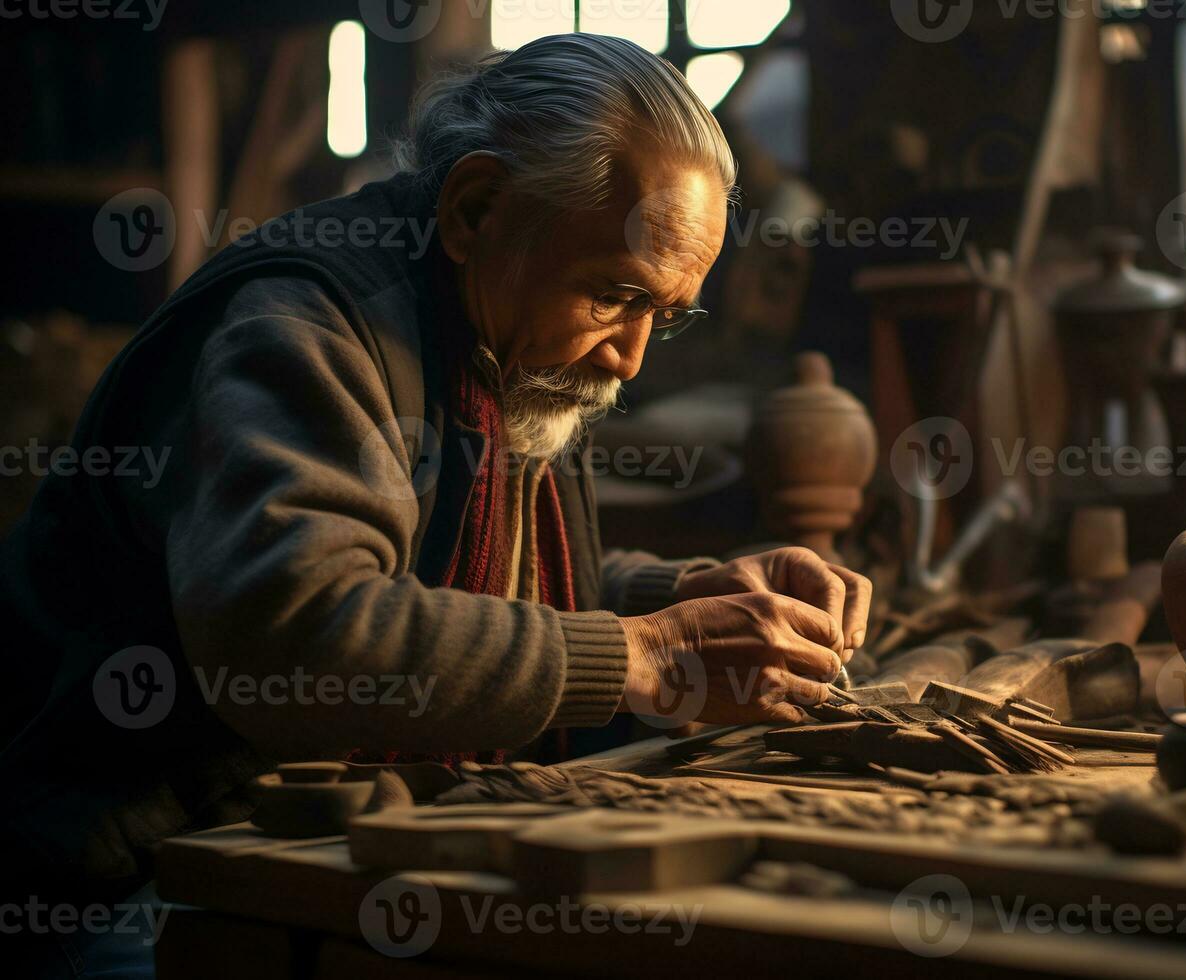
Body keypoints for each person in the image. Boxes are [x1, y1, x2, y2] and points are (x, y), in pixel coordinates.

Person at [2, 34, 869, 975]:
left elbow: (458, 585)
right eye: (615, 296)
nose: (631, 357)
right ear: (477, 207)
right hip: (113, 875)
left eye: (665, 311)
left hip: (276, 835)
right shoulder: (303, 324)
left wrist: (684, 601)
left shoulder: (495, 336)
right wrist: (644, 651)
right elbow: (298, 633)